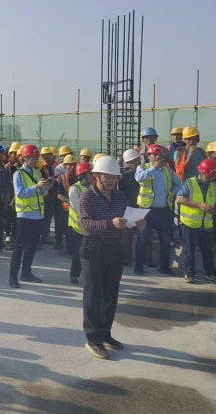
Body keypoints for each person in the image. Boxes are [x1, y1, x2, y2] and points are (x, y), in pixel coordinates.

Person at [80, 155, 145, 360]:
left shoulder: (120, 197)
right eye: (106, 176)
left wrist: (137, 224)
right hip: (93, 249)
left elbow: (125, 220)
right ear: (96, 176)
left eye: (113, 177)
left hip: (114, 248)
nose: (110, 181)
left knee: (110, 294)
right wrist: (110, 223)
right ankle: (93, 339)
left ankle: (105, 334)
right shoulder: (87, 198)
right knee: (93, 295)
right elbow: (86, 224)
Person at [9, 144, 53, 287]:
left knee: (32, 246)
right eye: (33, 158)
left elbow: (41, 193)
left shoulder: (37, 173)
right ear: (25, 158)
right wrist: (37, 186)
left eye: (36, 158)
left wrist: (46, 188)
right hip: (24, 215)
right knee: (19, 247)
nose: (35, 160)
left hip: (37, 215)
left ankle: (26, 273)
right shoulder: (18, 174)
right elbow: (20, 193)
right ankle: (13, 277)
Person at [134, 144, 180, 276]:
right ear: (149, 156)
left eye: (160, 155)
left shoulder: (168, 170)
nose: (158, 157)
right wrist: (154, 168)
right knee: (142, 239)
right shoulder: (143, 167)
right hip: (145, 210)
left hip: (163, 211)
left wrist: (172, 192)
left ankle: (164, 267)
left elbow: (180, 183)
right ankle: (138, 266)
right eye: (155, 155)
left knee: (165, 240)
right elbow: (139, 178)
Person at [176, 159, 216, 284]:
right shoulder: (189, 183)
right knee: (189, 250)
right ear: (201, 173)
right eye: (209, 176)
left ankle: (210, 272)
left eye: (213, 177)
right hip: (189, 223)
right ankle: (189, 273)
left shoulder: (214, 185)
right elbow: (179, 199)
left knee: (208, 250)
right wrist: (199, 205)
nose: (211, 179)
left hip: (206, 224)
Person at [68, 162, 93, 284]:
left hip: (90, 225)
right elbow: (76, 207)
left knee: (90, 252)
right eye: (89, 174)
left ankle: (89, 274)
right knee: (78, 252)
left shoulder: (92, 187)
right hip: (78, 226)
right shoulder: (75, 188)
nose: (91, 176)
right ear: (83, 175)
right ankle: (74, 274)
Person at [118, 149, 141, 265]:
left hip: (142, 207)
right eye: (130, 162)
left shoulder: (144, 174)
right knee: (127, 236)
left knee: (144, 236)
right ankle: (127, 259)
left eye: (134, 161)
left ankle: (144, 260)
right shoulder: (124, 177)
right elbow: (121, 194)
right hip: (131, 209)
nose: (133, 164)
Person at [55, 154, 78, 256]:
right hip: (67, 208)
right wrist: (70, 201)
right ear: (65, 166)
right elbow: (59, 194)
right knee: (69, 230)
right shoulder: (62, 178)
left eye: (74, 165)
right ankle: (70, 250)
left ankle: (75, 249)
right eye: (69, 165)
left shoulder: (79, 177)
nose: (72, 167)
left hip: (78, 208)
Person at [40, 147, 59, 248]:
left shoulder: (57, 166)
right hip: (44, 195)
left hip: (53, 194)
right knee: (43, 217)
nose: (46, 157)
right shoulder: (41, 166)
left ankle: (45, 236)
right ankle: (41, 237)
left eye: (48, 155)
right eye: (44, 155)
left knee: (48, 217)